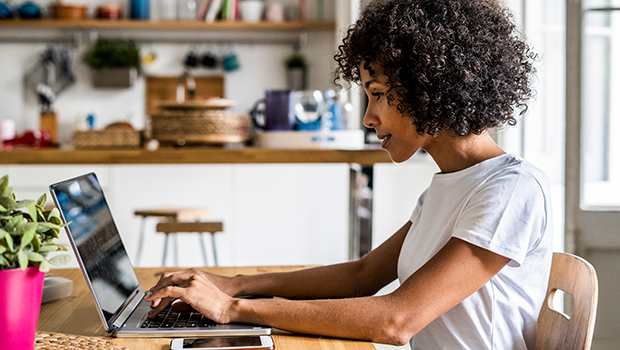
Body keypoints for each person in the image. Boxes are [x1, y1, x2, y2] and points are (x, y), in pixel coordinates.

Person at [145, 0, 553, 348]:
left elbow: (397, 320)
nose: (368, 117)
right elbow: (363, 275)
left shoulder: (511, 190)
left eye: (377, 94)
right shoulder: (446, 187)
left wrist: (233, 309)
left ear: (430, 87)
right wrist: (233, 284)